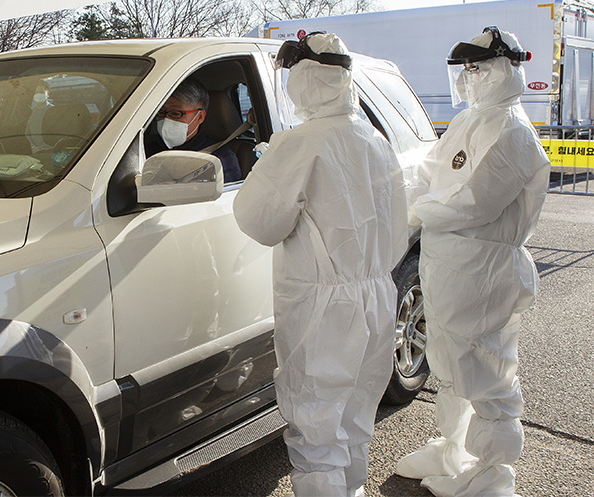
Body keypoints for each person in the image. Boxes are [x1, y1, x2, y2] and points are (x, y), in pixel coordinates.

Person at [233, 32, 408, 497]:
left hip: (324, 308)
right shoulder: (375, 139)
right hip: (375, 294)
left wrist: (265, 165)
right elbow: (396, 224)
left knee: (316, 426)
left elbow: (258, 221)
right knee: (354, 417)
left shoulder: (300, 144)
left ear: (305, 80)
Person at [395, 27, 550, 497]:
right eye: (467, 69)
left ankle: (493, 470)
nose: (471, 77)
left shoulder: (513, 132)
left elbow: (475, 201)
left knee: (487, 370)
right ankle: (453, 447)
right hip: (447, 266)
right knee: (450, 362)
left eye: (480, 67)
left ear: (507, 68)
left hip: (483, 270)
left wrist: (418, 210)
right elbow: (430, 172)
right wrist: (409, 197)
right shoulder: (468, 122)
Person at [144, 77, 242, 182]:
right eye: (161, 113)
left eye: (176, 113)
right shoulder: (144, 152)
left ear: (199, 117)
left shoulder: (220, 159)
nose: (166, 120)